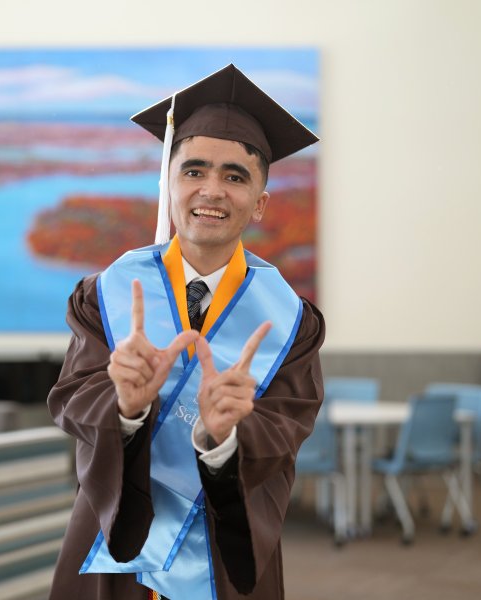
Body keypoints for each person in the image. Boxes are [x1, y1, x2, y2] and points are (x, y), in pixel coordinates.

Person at [47, 64, 325, 600]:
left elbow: (286, 432)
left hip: (225, 553)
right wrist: (125, 408)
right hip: (114, 547)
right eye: (194, 171)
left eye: (236, 176)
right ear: (169, 184)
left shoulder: (292, 323)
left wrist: (223, 439)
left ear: (261, 203)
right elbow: (70, 400)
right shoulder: (106, 295)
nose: (212, 191)